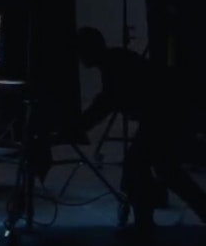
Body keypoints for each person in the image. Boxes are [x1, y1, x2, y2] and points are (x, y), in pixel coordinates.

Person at [76, 26, 206, 233]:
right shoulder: (116, 60)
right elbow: (106, 102)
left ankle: (144, 222)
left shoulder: (114, 65)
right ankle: (148, 220)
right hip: (166, 115)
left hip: (163, 116)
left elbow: (105, 104)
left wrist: (78, 125)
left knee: (139, 167)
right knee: (164, 170)